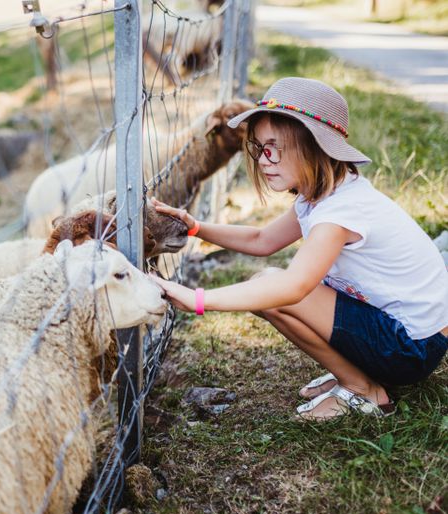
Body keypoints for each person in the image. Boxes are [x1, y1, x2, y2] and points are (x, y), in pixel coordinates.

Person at [149, 77, 448, 420]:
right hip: (406, 333)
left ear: (314, 146)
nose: (263, 160)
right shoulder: (324, 194)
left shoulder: (341, 211)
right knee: (268, 284)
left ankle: (363, 389)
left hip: (412, 347)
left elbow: (294, 287)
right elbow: (262, 240)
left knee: (274, 290)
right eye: (259, 147)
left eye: (274, 147)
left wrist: (198, 300)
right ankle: (355, 372)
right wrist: (196, 227)